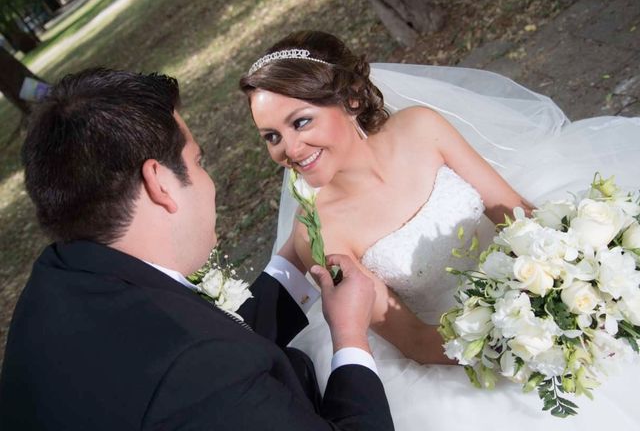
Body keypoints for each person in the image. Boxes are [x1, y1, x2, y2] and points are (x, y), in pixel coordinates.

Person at [239, 30, 640, 430]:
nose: (289, 150)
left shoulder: (420, 128)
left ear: (351, 99)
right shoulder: (319, 232)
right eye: (272, 137)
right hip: (459, 349)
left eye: (301, 122)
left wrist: (566, 281)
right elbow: (413, 339)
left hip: (535, 283)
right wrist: (517, 345)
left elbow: (511, 210)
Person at [0, 68, 394, 431]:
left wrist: (295, 256)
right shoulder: (191, 375)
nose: (208, 183)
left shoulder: (59, 281)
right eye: (198, 161)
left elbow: (207, 337)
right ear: (159, 183)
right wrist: (349, 336)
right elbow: (203, 364)